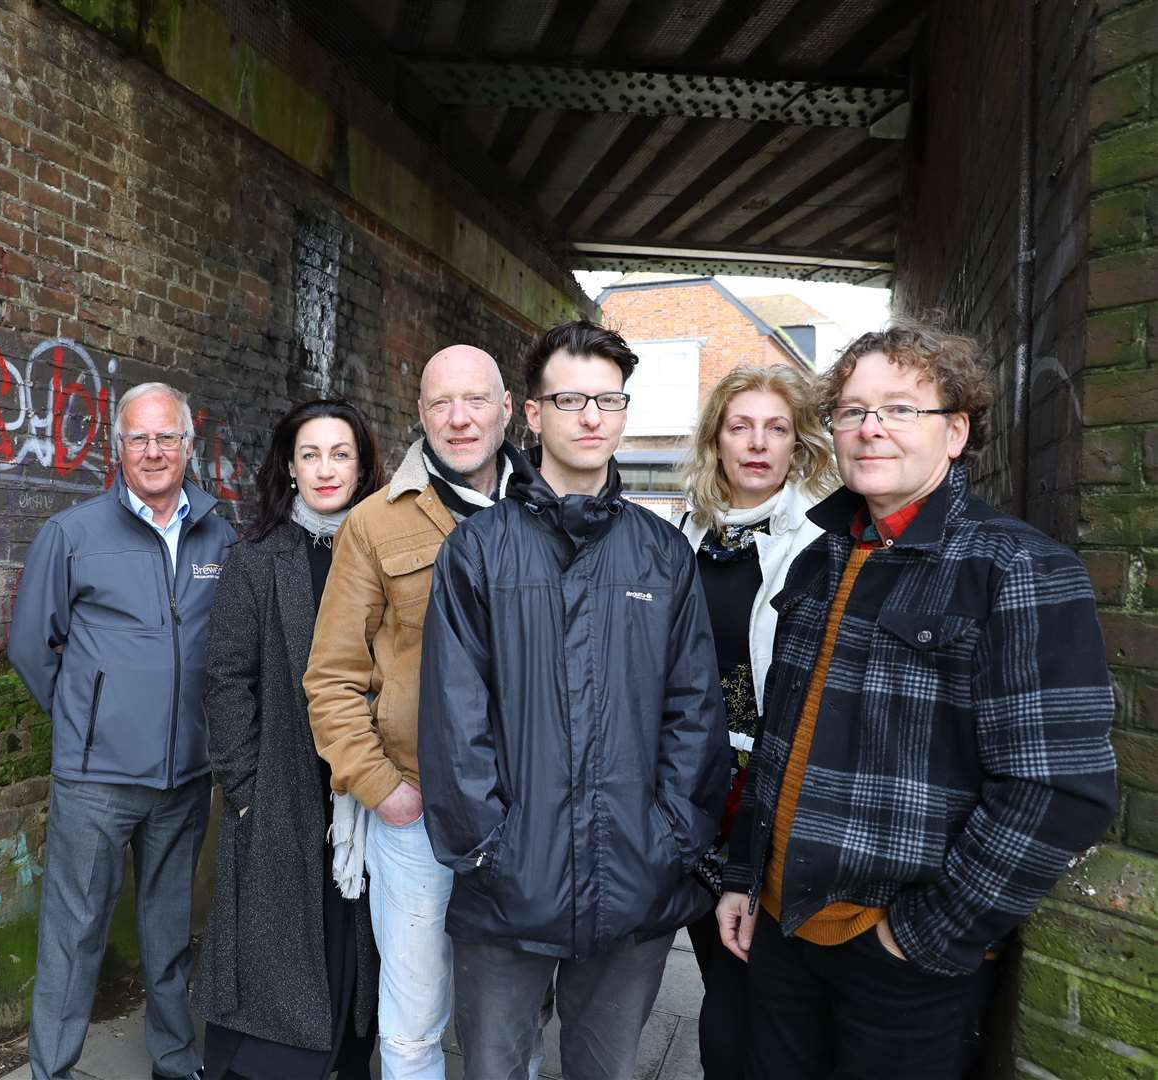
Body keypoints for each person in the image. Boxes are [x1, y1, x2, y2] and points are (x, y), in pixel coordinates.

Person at [714, 321, 1119, 1080]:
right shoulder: (824, 555)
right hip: (779, 930)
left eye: (900, 409)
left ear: (956, 431)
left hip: (900, 963)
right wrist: (744, 878)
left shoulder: (1016, 568)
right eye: (852, 411)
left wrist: (927, 936)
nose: (870, 430)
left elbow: (1060, 787)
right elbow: (780, 741)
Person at [418, 320, 731, 1080]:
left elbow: (694, 712)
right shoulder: (479, 550)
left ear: (624, 412)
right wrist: (489, 846)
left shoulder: (661, 554)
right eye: (570, 398)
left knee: (607, 1070)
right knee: (497, 1067)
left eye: (607, 399)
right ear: (532, 414)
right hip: (508, 883)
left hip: (635, 878)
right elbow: (454, 718)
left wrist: (670, 841)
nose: (591, 416)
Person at [304, 344, 531, 1080]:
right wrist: (380, 789)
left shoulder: (550, 512)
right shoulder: (375, 524)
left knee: (514, 1027)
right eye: (440, 403)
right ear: (421, 416)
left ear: (508, 409)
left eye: (474, 400)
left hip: (530, 811)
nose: (459, 418)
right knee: (410, 1028)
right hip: (416, 807)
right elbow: (332, 675)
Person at [8, 381, 237, 1080]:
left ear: (189, 447)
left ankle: (172, 1056)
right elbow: (28, 645)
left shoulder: (217, 536)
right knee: (73, 937)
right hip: (97, 780)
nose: (153, 451)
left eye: (167, 437)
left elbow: (227, 647)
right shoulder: (73, 535)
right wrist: (87, 723)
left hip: (184, 777)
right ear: (117, 449)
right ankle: (53, 1068)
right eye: (138, 438)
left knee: (169, 934)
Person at [193, 400, 386, 1080]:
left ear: (364, 466)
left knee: (357, 956)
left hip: (374, 796)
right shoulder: (257, 561)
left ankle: (347, 1058)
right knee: (274, 972)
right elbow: (226, 681)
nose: (326, 468)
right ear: (289, 466)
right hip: (280, 795)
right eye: (311, 454)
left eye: (341, 453)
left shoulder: (392, 554)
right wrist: (246, 792)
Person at [674, 365, 835, 1079]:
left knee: (763, 984)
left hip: (775, 793)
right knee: (718, 967)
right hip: (698, 789)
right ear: (717, 441)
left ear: (797, 443)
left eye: (776, 428)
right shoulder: (685, 535)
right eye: (741, 427)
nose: (758, 443)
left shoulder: (821, 542)